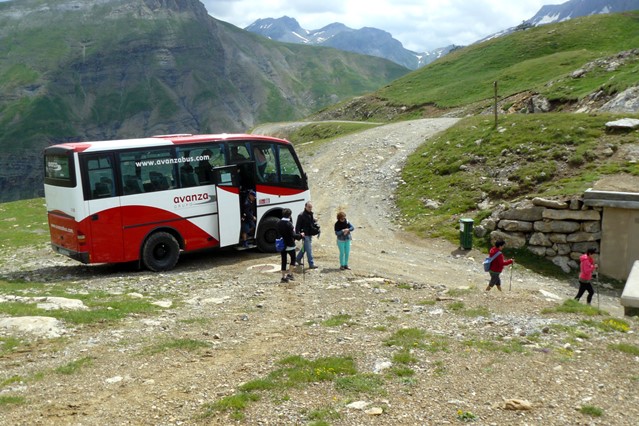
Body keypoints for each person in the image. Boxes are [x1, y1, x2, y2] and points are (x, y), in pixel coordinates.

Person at [277, 208, 304, 283]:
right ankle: (289, 274)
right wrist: (301, 235)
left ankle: (283, 277)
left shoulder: (278, 223)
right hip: (290, 244)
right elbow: (293, 235)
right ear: (290, 215)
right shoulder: (289, 224)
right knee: (293, 259)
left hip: (282, 244)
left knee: (283, 260)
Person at [295, 202, 320, 269]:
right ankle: (311, 264)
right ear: (305, 207)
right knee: (309, 249)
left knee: (305, 248)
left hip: (309, 234)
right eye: (309, 207)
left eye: (311, 207)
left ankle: (297, 259)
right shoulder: (301, 215)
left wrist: (314, 221)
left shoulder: (310, 214)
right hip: (305, 235)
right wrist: (299, 234)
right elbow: (297, 226)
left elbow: (310, 223)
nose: (310, 208)